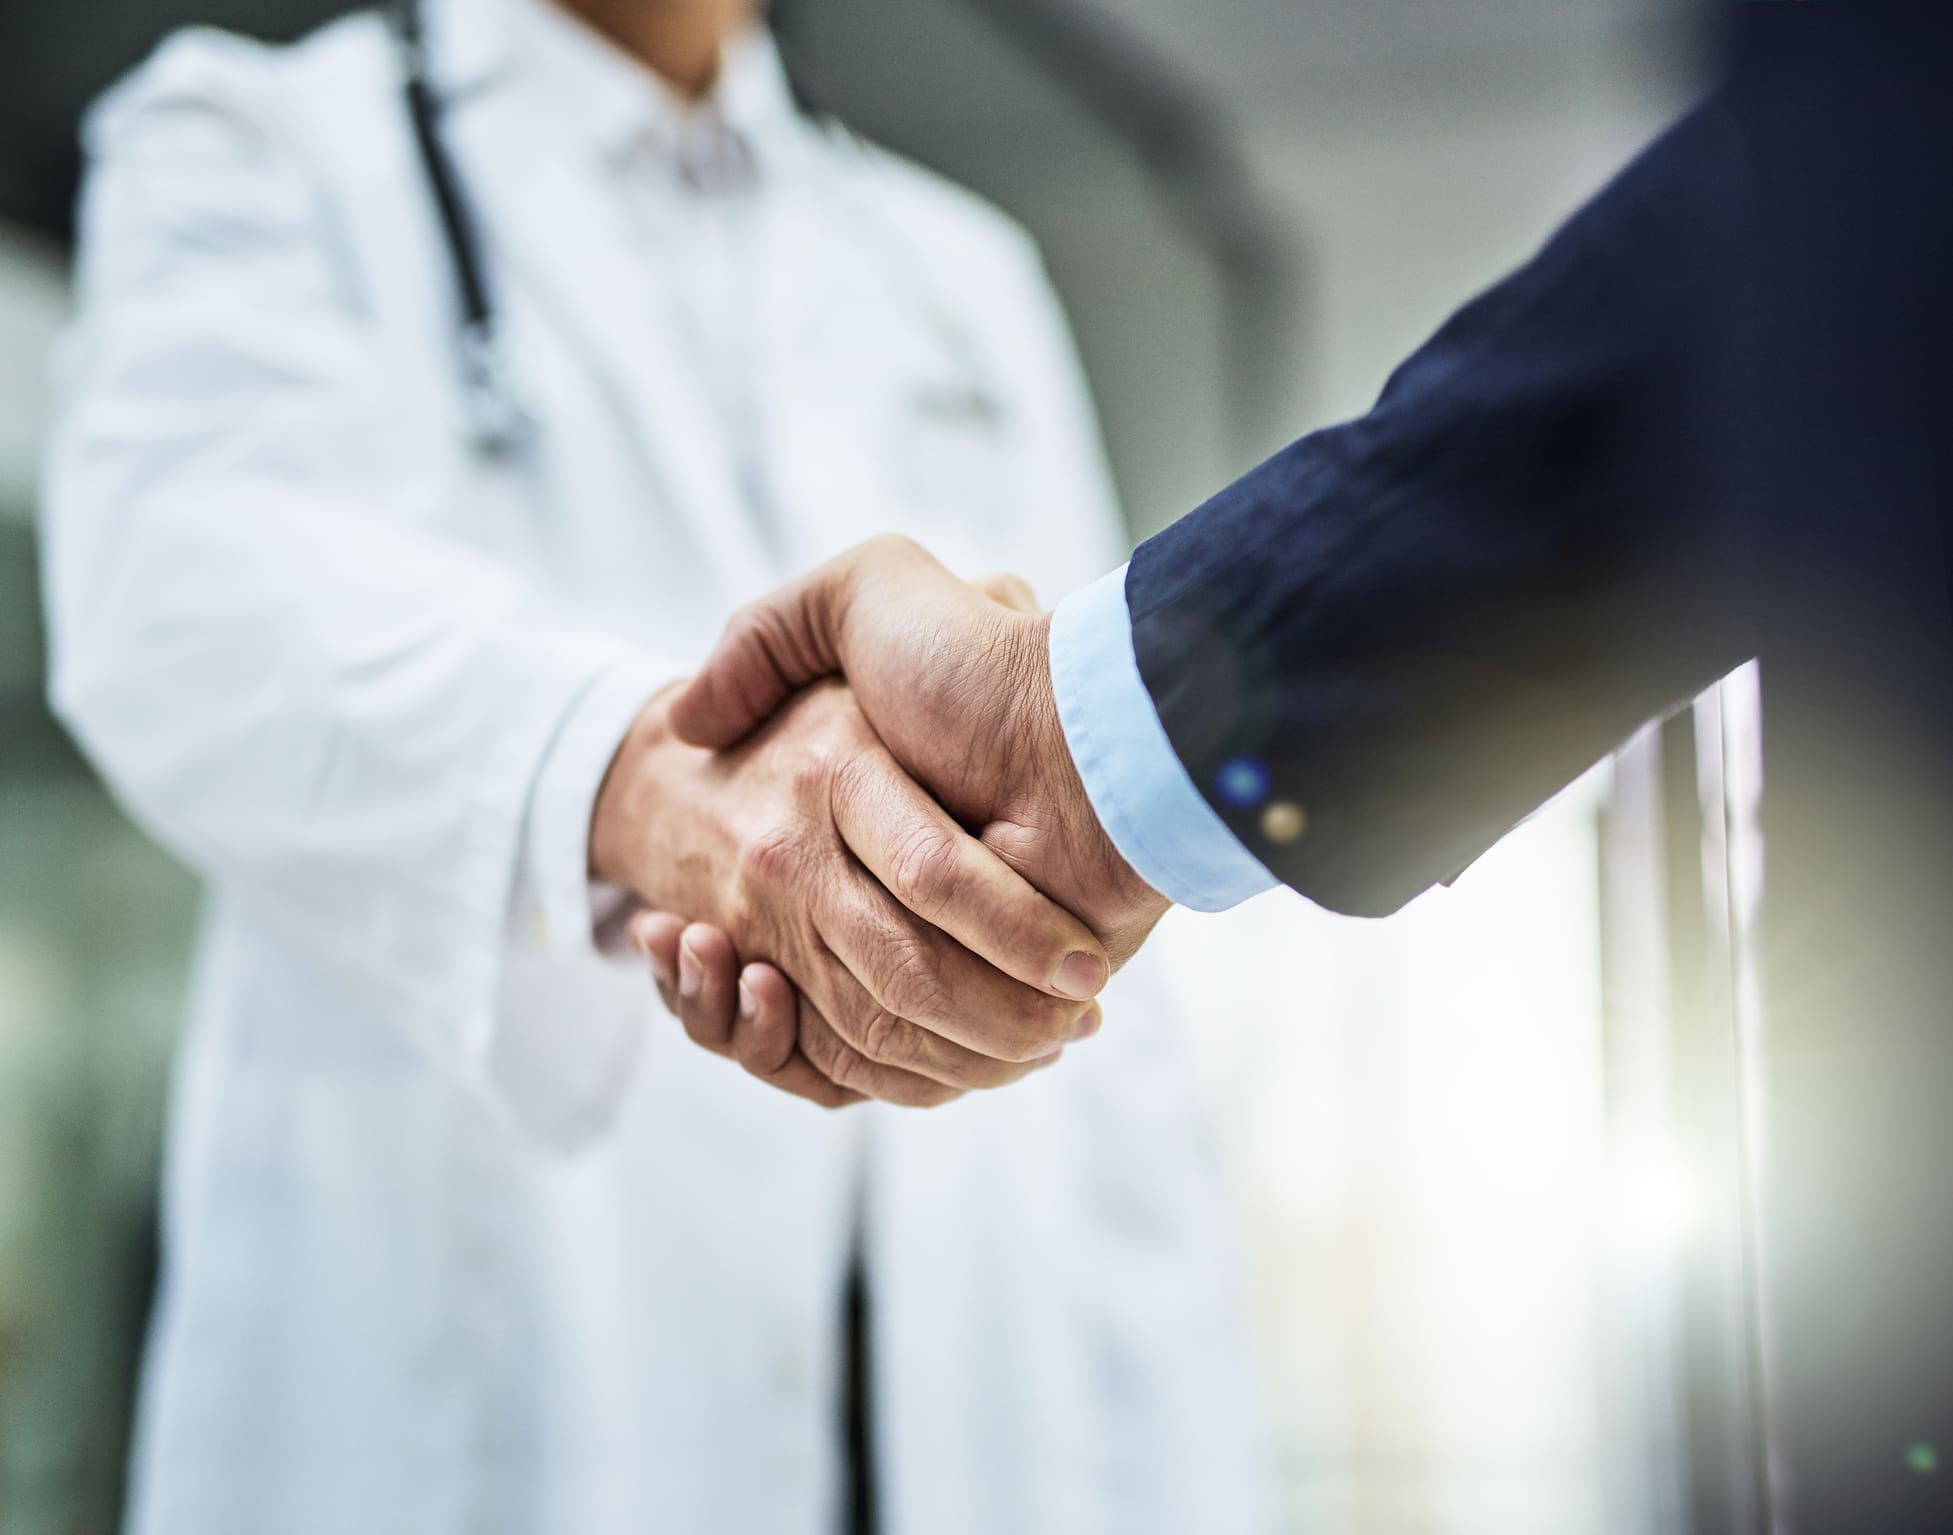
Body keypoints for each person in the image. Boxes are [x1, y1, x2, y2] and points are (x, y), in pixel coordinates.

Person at [657, 4, 1953, 1531]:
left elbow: (1826, 224)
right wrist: (1074, 752)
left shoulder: (957, 275)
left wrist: (1082, 747)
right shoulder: (299, 158)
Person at [39, 0, 1266, 1530]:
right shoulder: (254, 147)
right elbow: (183, 598)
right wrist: (664, 791)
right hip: (465, 1415)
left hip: (956, 1421)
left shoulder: (958, 277)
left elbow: (1110, 1000)